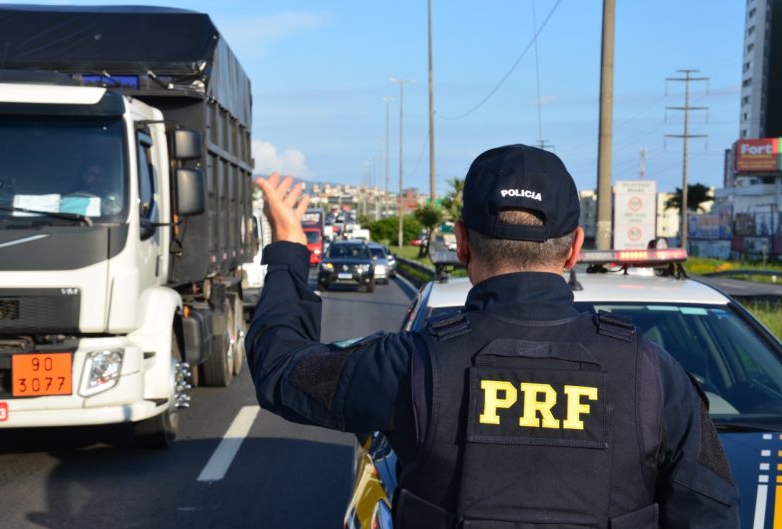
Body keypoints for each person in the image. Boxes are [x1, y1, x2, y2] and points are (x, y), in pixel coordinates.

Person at [246, 145, 739, 529]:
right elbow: (711, 512)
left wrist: (290, 248)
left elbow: (280, 370)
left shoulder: (411, 366)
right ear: (574, 250)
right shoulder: (655, 377)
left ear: (461, 242)